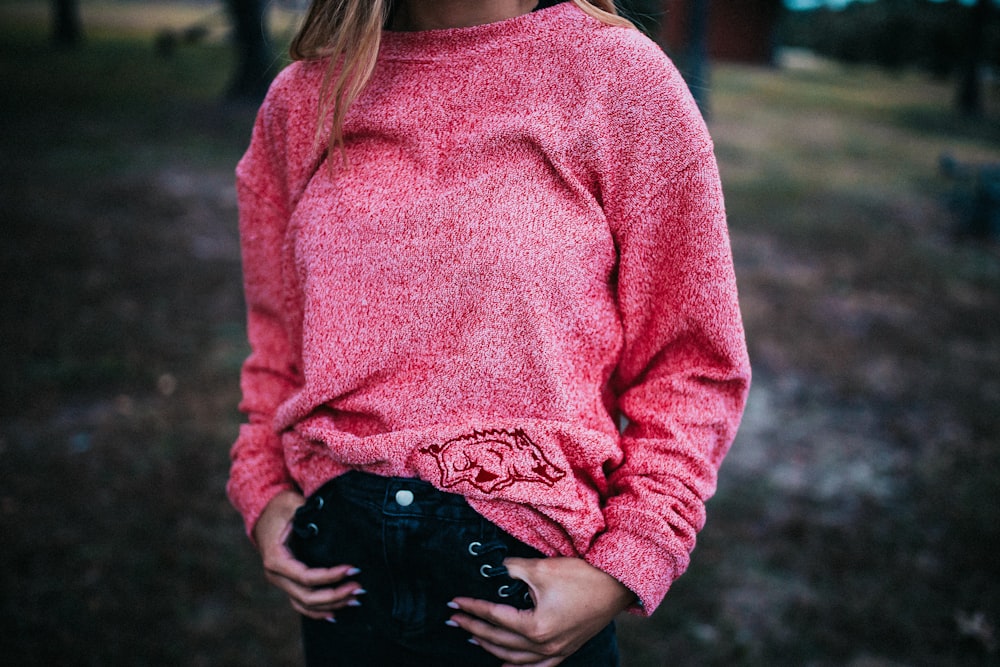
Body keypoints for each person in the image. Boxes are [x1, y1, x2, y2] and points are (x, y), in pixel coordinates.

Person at [227, 0, 751, 665]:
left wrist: (626, 565)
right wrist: (264, 490)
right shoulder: (304, 99)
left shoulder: (619, 79)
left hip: (526, 606)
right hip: (344, 590)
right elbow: (278, 348)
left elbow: (691, 367)